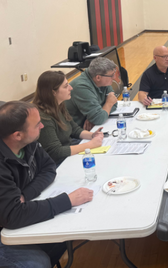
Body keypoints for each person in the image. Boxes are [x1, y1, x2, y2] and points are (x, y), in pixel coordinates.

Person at [0, 101, 95, 267]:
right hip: (4, 231)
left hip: (14, 213)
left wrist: (26, 195)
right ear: (17, 135)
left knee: (61, 238)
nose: (42, 126)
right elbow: (13, 216)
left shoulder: (29, 143)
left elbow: (49, 168)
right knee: (37, 263)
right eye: (37, 124)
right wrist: (68, 200)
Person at [32, 71, 103, 167]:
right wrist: (90, 144)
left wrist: (92, 135)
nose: (71, 88)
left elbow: (74, 129)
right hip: (58, 163)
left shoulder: (59, 105)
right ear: (53, 92)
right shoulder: (43, 118)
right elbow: (56, 152)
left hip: (69, 152)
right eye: (66, 86)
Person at [64, 56, 119, 129]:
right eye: (111, 75)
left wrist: (95, 116)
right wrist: (108, 104)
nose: (114, 77)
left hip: (92, 127)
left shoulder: (103, 81)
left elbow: (114, 103)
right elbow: (99, 118)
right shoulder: (81, 87)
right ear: (98, 77)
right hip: (76, 132)